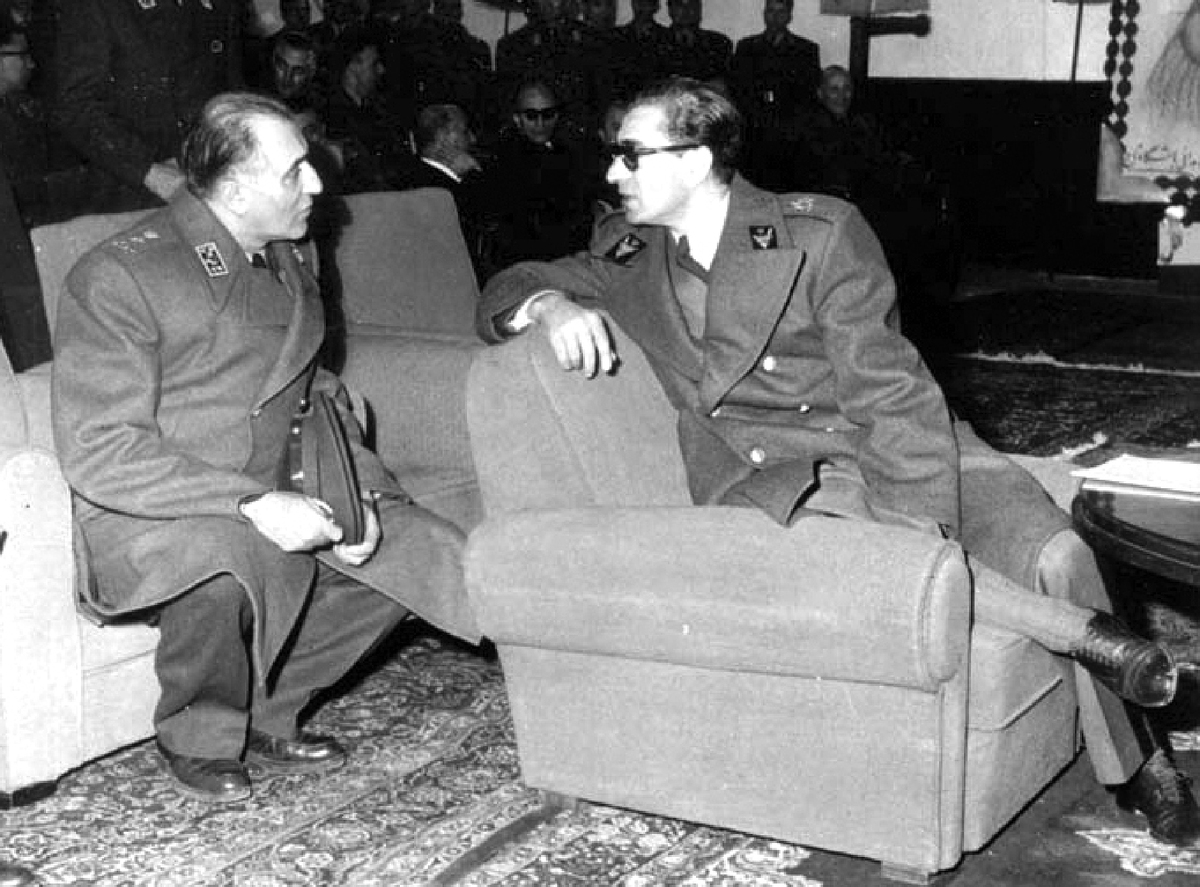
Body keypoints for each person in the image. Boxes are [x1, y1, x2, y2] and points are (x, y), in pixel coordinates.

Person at [476, 77, 1200, 847]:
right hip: (776, 474)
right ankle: (1097, 643)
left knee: (1056, 550)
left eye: (631, 155)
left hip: (891, 438)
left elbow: (891, 394)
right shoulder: (625, 253)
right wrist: (551, 305)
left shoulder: (818, 233)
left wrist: (923, 524)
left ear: (696, 159)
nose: (612, 172)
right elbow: (508, 283)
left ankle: (1141, 755)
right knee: (876, 545)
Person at [51, 91, 479, 804]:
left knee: (415, 548)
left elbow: (316, 394)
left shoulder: (291, 255)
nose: (316, 184)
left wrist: (358, 492)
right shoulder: (123, 274)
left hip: (276, 482)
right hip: (158, 507)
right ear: (236, 190)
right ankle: (197, 733)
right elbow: (100, 449)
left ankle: (265, 710)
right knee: (227, 559)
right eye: (294, 172)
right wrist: (251, 502)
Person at [52, 0, 244, 213]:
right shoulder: (97, 7)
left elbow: (234, 95)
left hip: (213, 180)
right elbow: (77, 108)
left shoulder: (221, 5)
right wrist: (148, 171)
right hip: (136, 190)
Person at [479, 78, 594, 270]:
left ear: (557, 116)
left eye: (547, 114)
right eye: (531, 116)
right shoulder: (503, 160)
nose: (540, 123)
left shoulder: (569, 154)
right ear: (517, 119)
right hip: (527, 265)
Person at [731, 0, 819, 190]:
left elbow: (808, 96)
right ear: (764, 14)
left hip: (789, 133)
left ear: (789, 16)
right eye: (770, 11)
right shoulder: (746, 47)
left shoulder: (806, 50)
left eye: (781, 11)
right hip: (754, 130)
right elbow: (739, 90)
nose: (775, 17)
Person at [324, 26, 419, 193]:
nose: (381, 70)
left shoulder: (381, 110)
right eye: (374, 64)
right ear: (354, 65)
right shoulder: (331, 117)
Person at [660, 0, 731, 84]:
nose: (685, 10)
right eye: (679, 5)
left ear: (699, 9)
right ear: (670, 9)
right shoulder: (655, 42)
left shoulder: (719, 43)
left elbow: (723, 81)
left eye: (692, 4)